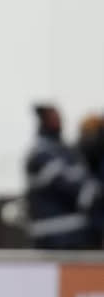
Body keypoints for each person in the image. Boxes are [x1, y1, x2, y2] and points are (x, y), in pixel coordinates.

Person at [26, 105, 103, 249]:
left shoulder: (69, 153)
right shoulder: (42, 155)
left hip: (76, 238)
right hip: (61, 241)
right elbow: (79, 191)